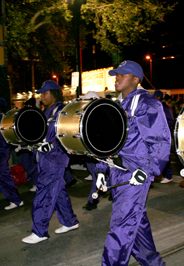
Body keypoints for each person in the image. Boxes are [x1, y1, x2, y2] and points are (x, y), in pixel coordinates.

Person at [94, 60, 170, 265]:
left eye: (123, 74)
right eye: (116, 74)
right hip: (117, 172)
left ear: (136, 80)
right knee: (136, 226)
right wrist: (102, 169)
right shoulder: (117, 105)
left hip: (134, 174)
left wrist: (146, 170)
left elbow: (160, 141)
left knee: (121, 229)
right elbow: (107, 142)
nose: (117, 77)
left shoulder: (148, 104)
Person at [22, 80, 79, 244]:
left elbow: (67, 133)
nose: (42, 96)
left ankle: (39, 231)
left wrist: (52, 147)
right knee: (58, 190)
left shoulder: (62, 111)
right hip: (44, 158)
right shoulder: (46, 111)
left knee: (45, 192)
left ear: (54, 94)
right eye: (41, 93)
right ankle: (70, 221)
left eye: (45, 93)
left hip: (55, 158)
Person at [153, 90, 174, 184]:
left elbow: (170, 121)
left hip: (163, 135)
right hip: (156, 134)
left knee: (163, 155)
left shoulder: (164, 107)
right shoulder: (156, 106)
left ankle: (168, 175)